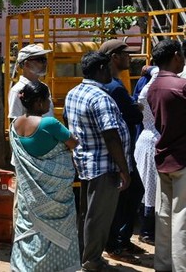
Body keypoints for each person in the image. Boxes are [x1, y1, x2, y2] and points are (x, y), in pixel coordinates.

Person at [64, 51, 131, 272]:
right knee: (98, 217)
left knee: (87, 214)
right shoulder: (101, 98)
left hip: (84, 163)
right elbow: (111, 135)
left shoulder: (74, 93)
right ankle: (92, 261)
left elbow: (66, 120)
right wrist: (124, 169)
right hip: (103, 166)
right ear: (102, 69)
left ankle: (84, 256)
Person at [10, 81, 80, 271]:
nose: (50, 102)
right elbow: (73, 143)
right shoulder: (50, 123)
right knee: (57, 231)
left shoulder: (15, 125)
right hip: (56, 195)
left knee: (30, 229)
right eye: (48, 99)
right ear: (39, 102)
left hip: (31, 197)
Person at [98, 40, 145, 264]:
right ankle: (115, 242)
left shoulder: (112, 83)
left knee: (130, 193)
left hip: (119, 151)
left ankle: (121, 239)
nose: (130, 58)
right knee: (127, 193)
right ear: (114, 57)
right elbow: (134, 116)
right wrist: (135, 106)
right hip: (118, 152)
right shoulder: (114, 87)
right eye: (126, 55)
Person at [145, 39, 186, 271]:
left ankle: (162, 265)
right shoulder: (180, 86)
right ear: (175, 56)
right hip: (182, 158)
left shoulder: (152, 87)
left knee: (164, 218)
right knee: (181, 219)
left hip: (163, 156)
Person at [134, 66, 159, 246]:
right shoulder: (151, 84)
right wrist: (155, 70)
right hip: (151, 141)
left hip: (148, 140)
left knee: (149, 186)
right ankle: (147, 230)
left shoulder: (148, 80)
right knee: (149, 187)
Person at [7, 44, 54, 122]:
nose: (44, 63)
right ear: (26, 64)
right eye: (40, 60)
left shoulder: (44, 87)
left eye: (45, 59)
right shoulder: (18, 90)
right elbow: (15, 123)